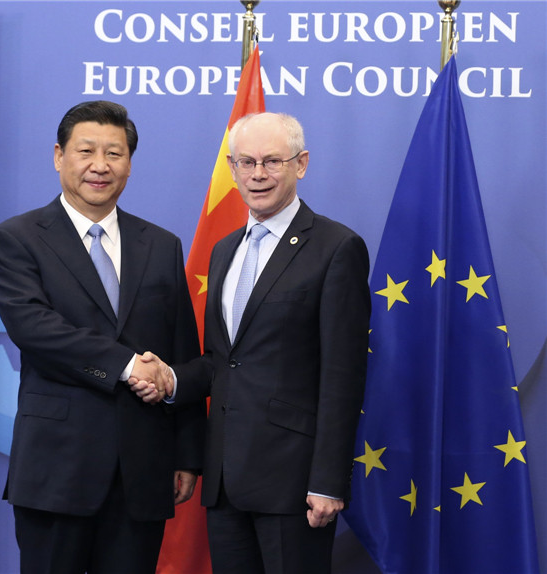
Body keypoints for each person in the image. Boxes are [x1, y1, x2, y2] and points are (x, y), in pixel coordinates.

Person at [135, 112, 370, 574]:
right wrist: (170, 378)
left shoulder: (336, 247)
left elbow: (343, 375)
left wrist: (327, 480)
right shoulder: (225, 249)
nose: (257, 174)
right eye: (245, 162)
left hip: (294, 481)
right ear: (232, 167)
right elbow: (225, 362)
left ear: (301, 165)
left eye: (271, 161)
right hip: (225, 480)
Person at [0, 100, 205, 574]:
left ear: (129, 162)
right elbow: (34, 328)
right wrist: (128, 366)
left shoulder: (160, 243)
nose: (100, 166)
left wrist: (187, 453)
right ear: (59, 156)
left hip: (143, 471)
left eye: (115, 153)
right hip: (56, 470)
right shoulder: (17, 238)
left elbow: (182, 349)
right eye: (86, 151)